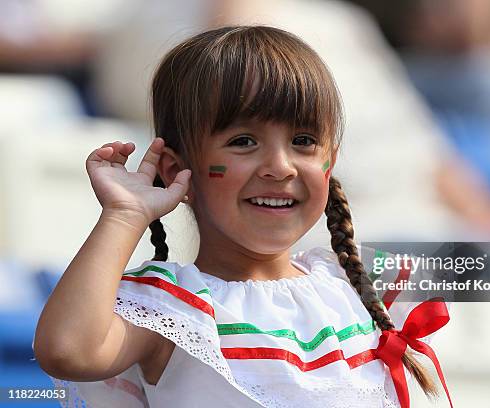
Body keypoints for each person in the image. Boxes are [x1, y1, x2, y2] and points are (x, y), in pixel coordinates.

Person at [33, 26, 452, 408]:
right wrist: (124, 216)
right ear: (177, 172)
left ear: (331, 163)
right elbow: (68, 350)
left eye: (303, 141)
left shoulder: (353, 281)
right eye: (243, 141)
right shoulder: (173, 308)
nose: (280, 166)